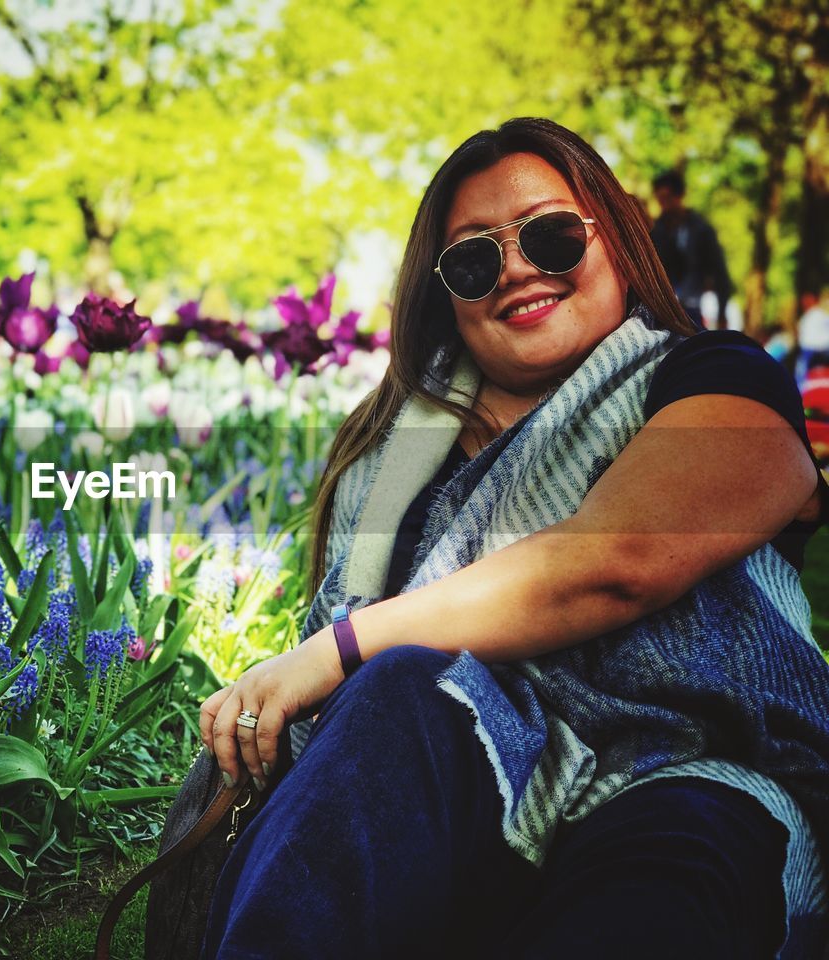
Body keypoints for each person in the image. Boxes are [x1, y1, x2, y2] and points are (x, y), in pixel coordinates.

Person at [197, 118, 829, 959]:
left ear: (616, 236)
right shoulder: (386, 460)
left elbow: (617, 562)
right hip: (450, 788)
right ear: (444, 293)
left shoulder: (718, 377)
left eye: (552, 235)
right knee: (401, 691)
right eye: (474, 258)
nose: (519, 268)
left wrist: (333, 650)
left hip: (679, 776)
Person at [650, 169, 734, 329]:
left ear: (679, 196)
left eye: (667, 198)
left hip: (695, 308)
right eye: (660, 199)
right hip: (664, 311)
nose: (664, 204)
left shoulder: (701, 231)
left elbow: (720, 272)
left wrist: (722, 314)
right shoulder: (656, 232)